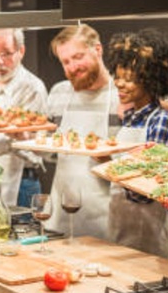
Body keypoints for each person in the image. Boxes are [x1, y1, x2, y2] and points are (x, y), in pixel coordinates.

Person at [105, 29, 168, 258]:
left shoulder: (161, 122)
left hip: (148, 234)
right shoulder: (131, 117)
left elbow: (147, 191)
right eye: (117, 76)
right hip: (121, 229)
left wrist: (109, 167)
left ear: (151, 81)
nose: (119, 84)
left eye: (128, 79)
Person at [45, 24, 121, 239]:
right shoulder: (59, 92)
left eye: (77, 57)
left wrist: (108, 159)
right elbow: (46, 147)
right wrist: (23, 135)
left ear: (97, 50)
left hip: (107, 218)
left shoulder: (124, 94)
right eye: (65, 62)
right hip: (60, 216)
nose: (72, 67)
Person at [0, 29, 48, 206]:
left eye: (7, 54)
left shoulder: (32, 87)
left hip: (22, 186)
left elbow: (11, 142)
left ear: (21, 52)